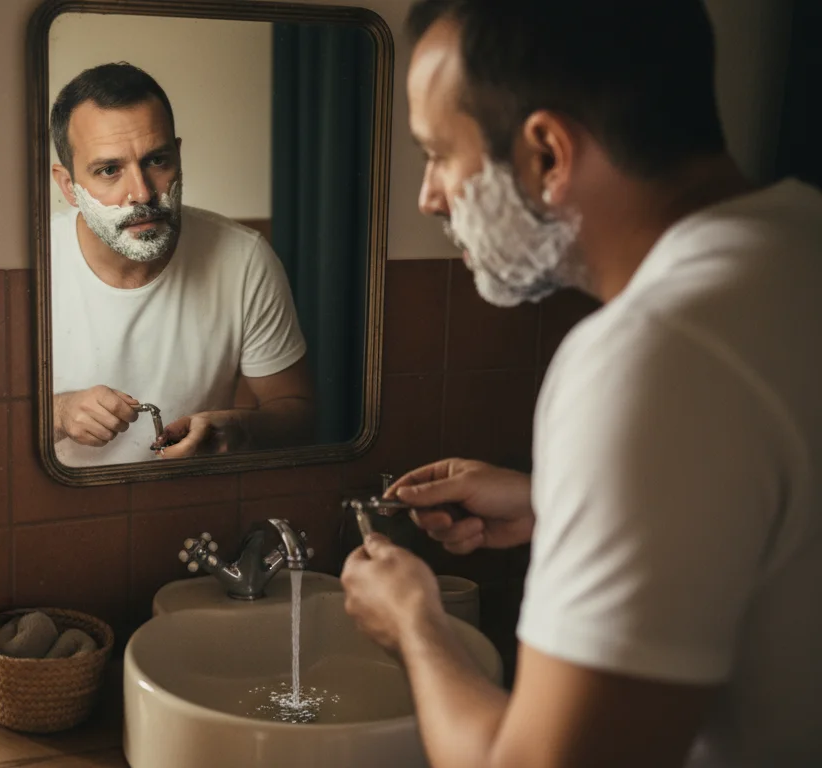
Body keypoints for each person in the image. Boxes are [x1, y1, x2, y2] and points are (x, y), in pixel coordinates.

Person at [339, 1, 822, 766]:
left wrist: (414, 625)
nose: (430, 196)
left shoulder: (651, 353)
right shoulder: (797, 245)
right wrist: (554, 500)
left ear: (548, 155)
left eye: (437, 154)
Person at [47, 62, 315, 467]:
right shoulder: (35, 265)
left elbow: (297, 411)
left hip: (191, 510)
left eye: (157, 161)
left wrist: (238, 430)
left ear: (179, 155)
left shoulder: (243, 258)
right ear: (69, 186)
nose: (141, 193)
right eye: (109, 170)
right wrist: (58, 413)